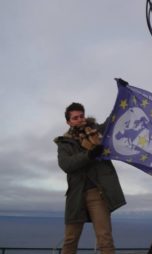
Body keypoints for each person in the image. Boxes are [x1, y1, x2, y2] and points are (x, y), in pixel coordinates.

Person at [54, 102, 126, 254]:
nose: (79, 119)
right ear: (68, 121)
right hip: (76, 194)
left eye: (81, 116)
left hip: (97, 193)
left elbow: (111, 121)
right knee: (70, 239)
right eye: (75, 118)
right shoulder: (64, 142)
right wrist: (89, 155)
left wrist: (121, 99)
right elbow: (66, 164)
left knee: (105, 238)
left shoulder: (97, 132)